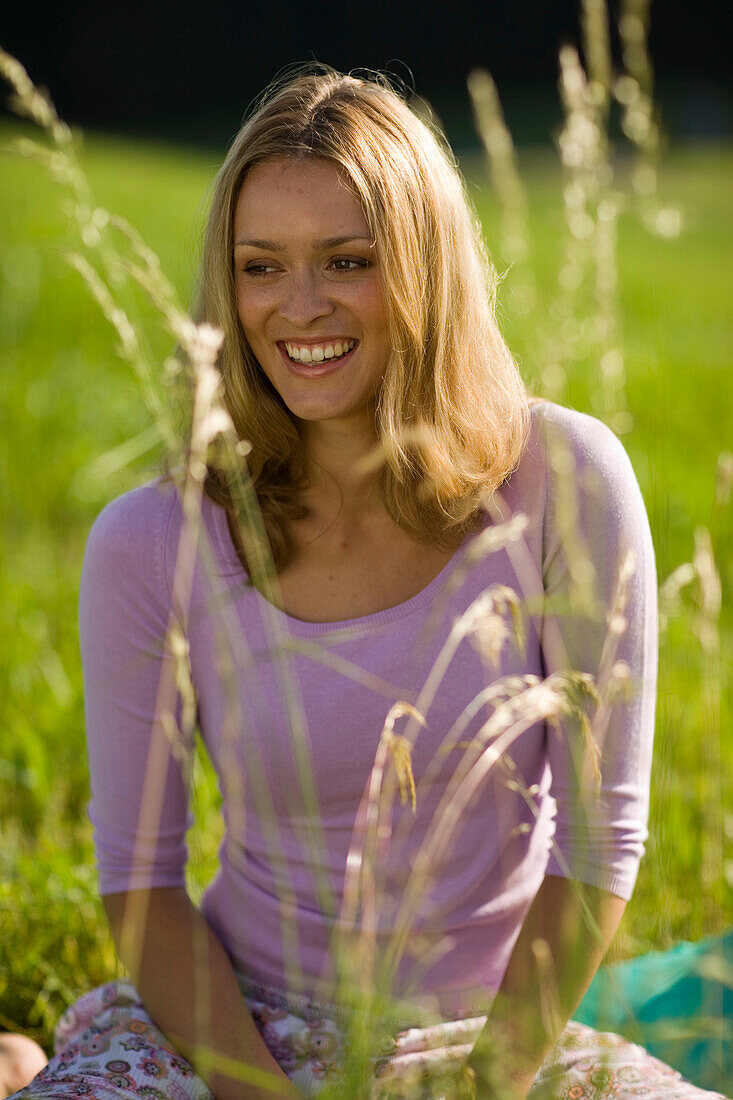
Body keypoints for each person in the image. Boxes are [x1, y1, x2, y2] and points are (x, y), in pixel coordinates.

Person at [4, 67, 727, 1100]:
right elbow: (142, 885)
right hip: (235, 1029)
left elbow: (600, 835)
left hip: (490, 1039)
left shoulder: (564, 481)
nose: (300, 308)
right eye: (263, 267)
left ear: (426, 267)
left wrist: (482, 1087)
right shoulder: (151, 539)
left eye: (349, 261)